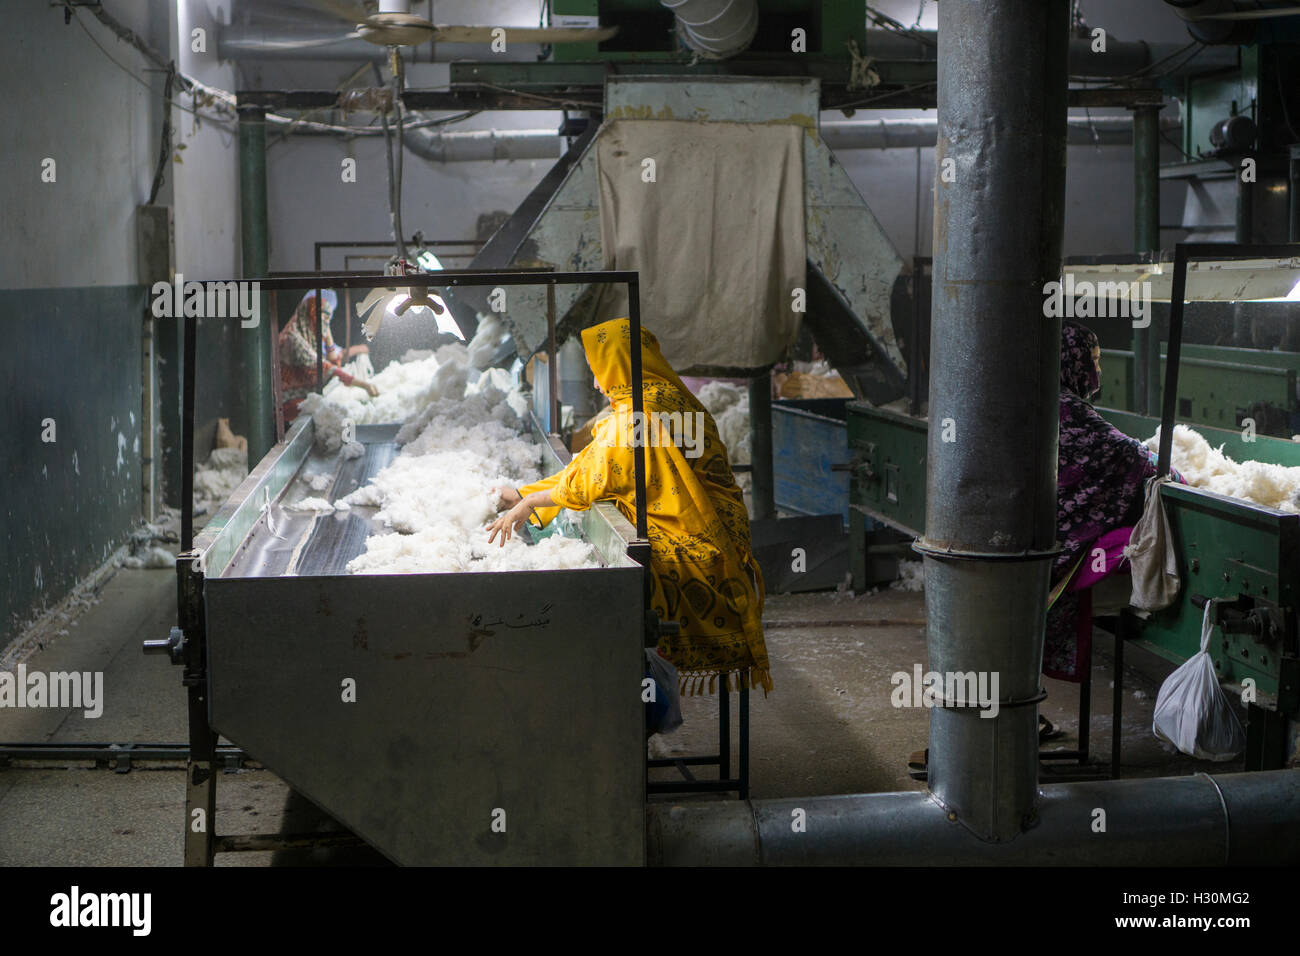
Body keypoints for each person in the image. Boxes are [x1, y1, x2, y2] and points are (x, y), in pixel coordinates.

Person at [486, 317, 772, 699]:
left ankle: (621, 706)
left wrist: (528, 504)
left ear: (617, 367)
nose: (594, 382)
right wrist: (524, 492)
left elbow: (590, 480)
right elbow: (591, 464)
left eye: (597, 370)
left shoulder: (636, 417)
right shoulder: (670, 396)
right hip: (729, 532)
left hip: (697, 542)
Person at [1045, 321, 1182, 685]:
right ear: (1071, 362)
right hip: (1053, 545)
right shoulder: (1072, 414)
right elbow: (1133, 458)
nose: (1098, 371)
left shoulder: (1043, 401)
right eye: (1091, 360)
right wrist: (1182, 480)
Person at [278, 289, 379, 425]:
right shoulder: (292, 339)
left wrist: (327, 333)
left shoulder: (310, 337)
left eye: (328, 320)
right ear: (312, 315)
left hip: (306, 402)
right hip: (288, 409)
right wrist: (364, 385)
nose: (326, 324)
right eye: (324, 319)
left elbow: (334, 361)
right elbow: (326, 368)